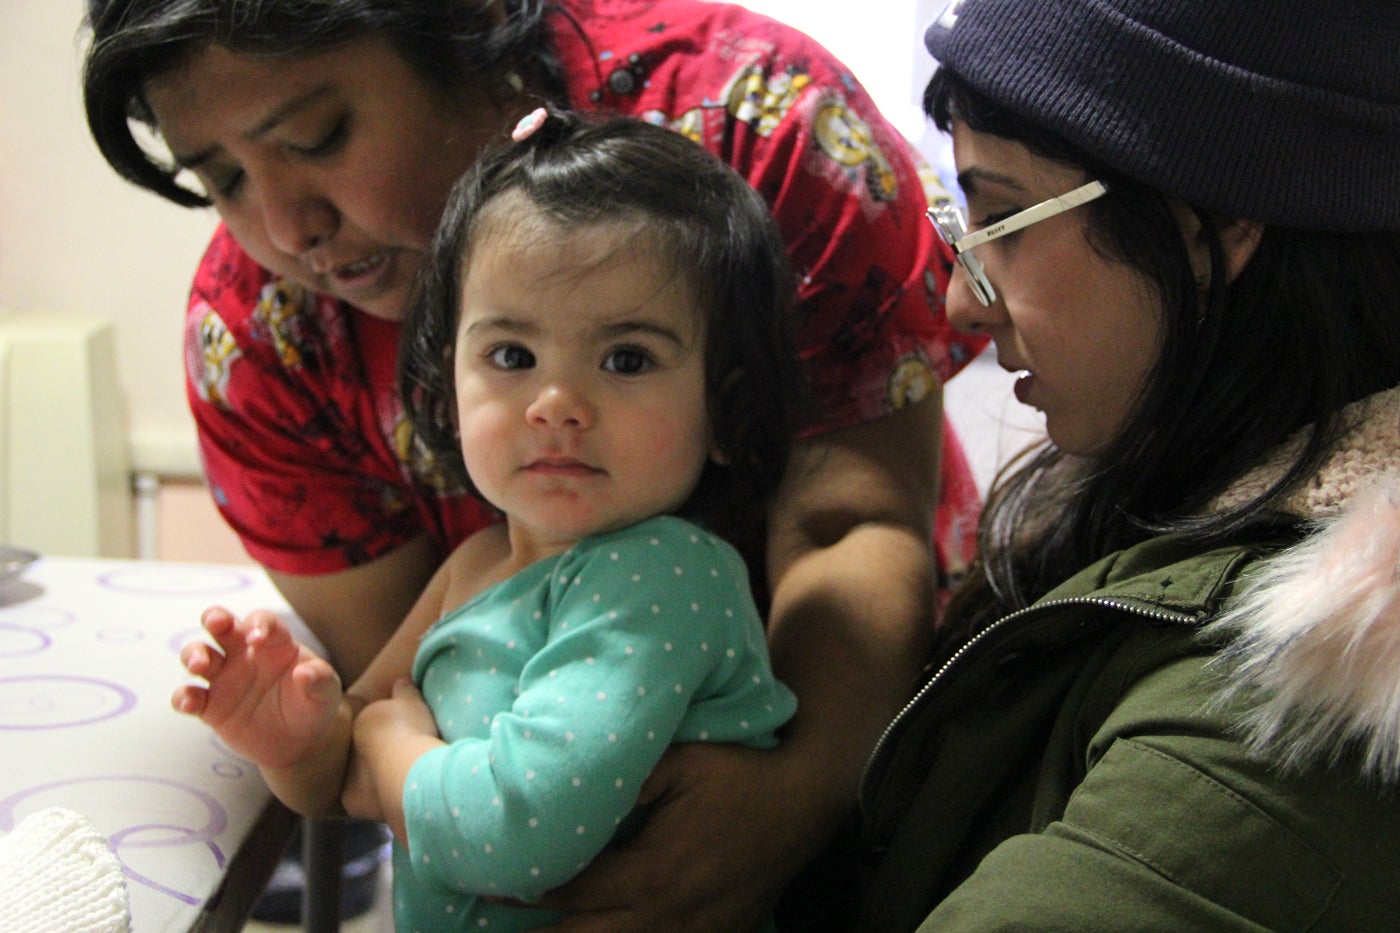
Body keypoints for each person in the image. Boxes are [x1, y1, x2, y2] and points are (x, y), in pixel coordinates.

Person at [81, 3, 984, 926]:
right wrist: (297, 730)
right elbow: (403, 718)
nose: (287, 226)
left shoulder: (764, 121)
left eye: (319, 135)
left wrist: (795, 798)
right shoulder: (265, 342)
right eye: (224, 176)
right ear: (440, 373)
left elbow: (847, 529)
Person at [174, 110, 803, 932]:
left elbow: (514, 832)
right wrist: (297, 738)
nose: (556, 405)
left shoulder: (666, 573)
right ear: (447, 382)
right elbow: (346, 774)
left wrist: (390, 742)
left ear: (723, 404)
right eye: (512, 356)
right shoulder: (474, 565)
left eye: (627, 359)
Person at [844, 0, 1400, 929]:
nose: (961, 305)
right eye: (964, 223)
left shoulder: (1312, 698)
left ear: (1213, 224)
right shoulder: (1154, 488)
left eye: (1009, 221)